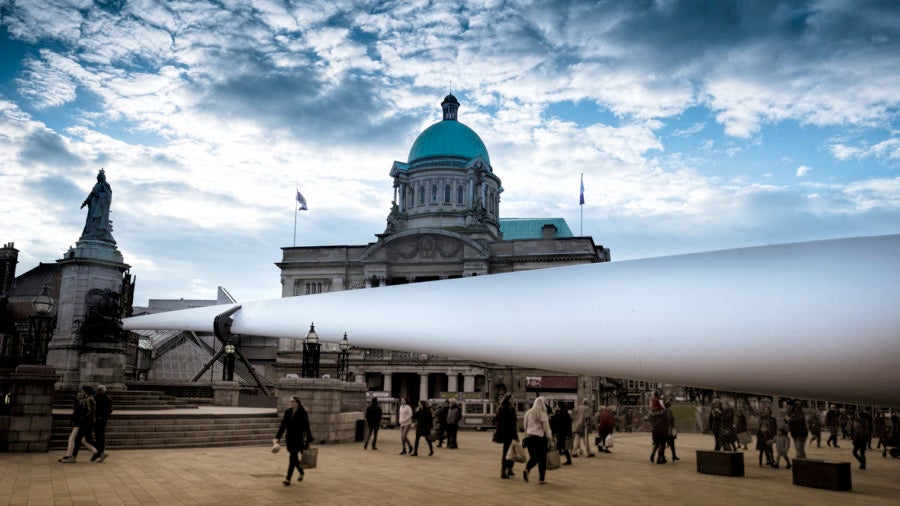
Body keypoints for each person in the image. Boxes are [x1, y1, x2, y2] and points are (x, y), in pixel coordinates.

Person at [274, 396, 313, 486]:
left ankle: (288, 479)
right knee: (294, 458)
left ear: (297, 402)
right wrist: (277, 437)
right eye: (290, 401)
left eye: (293, 401)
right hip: (290, 439)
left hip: (299, 439)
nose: (291, 403)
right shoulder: (288, 412)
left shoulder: (303, 412)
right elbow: (283, 425)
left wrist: (309, 439)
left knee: (292, 458)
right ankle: (301, 472)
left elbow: (307, 427)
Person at [59, 386, 99, 463]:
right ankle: (96, 452)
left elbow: (88, 412)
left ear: (85, 391)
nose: (81, 392)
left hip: (83, 423)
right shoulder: (88, 399)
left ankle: (71, 456)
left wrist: (82, 420)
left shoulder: (89, 399)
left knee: (75, 439)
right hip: (84, 422)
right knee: (81, 439)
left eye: (82, 391)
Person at [522, 397, 552, 484]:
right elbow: (546, 428)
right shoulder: (543, 414)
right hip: (540, 439)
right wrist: (550, 439)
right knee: (542, 459)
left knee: (534, 457)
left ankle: (527, 469)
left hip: (529, 438)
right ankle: (541, 479)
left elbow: (525, 426)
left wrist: (526, 434)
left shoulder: (528, 413)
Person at [80, 169, 115, 242]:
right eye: (97, 177)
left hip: (100, 205)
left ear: (102, 177)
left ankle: (97, 233)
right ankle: (90, 232)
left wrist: (98, 195)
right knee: (90, 220)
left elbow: (108, 195)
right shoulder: (96, 185)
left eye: (99, 177)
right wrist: (85, 202)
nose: (98, 178)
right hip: (93, 205)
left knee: (97, 219)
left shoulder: (105, 185)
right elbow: (91, 194)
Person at [495, 393, 519, 479]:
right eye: (511, 399)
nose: (513, 400)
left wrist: (516, 435)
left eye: (513, 399)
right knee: (506, 452)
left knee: (512, 451)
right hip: (506, 433)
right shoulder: (502, 409)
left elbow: (514, 423)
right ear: (507, 400)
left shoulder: (512, 409)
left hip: (511, 433)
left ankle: (510, 468)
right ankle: (503, 471)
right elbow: (498, 420)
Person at [92, 385, 112, 462]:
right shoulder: (97, 396)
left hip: (101, 420)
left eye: (99, 390)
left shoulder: (105, 398)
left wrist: (102, 417)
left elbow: (109, 410)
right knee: (98, 435)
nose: (97, 391)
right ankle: (98, 451)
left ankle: (100, 451)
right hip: (98, 419)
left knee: (100, 436)